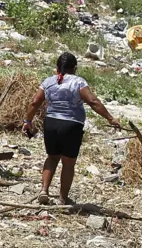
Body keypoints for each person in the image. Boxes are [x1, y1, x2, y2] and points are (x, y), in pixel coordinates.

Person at [22, 52, 121, 205]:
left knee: (52, 157)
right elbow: (93, 101)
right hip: (71, 125)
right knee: (68, 163)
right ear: (74, 68)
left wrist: (27, 121)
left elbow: (35, 102)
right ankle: (63, 198)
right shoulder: (78, 82)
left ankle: (44, 190)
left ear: (57, 67)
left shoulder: (48, 82)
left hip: (51, 123)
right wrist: (110, 118)